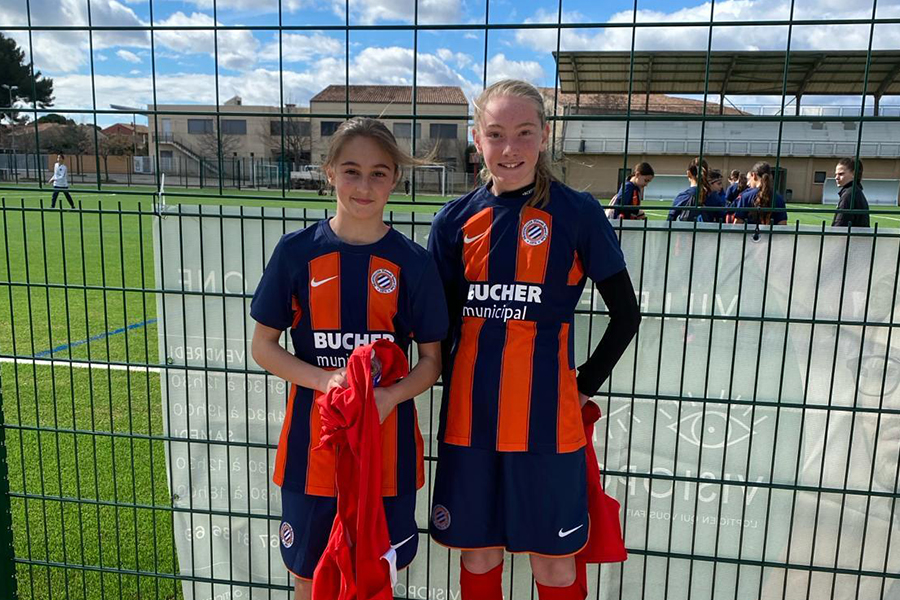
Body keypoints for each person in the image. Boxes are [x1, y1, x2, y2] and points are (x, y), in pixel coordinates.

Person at [427, 79, 641, 600]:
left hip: (548, 425)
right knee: (478, 553)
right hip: (470, 422)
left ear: (544, 136)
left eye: (524, 132)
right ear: (477, 140)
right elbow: (438, 327)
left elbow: (626, 314)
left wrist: (584, 384)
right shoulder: (453, 221)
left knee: (554, 564)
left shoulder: (577, 212)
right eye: (496, 134)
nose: (510, 148)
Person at [249, 117, 448, 600]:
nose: (364, 185)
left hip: (387, 450)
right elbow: (264, 347)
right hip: (312, 449)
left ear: (395, 180)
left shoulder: (413, 264)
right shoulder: (296, 253)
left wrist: (389, 397)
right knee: (309, 577)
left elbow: (430, 361)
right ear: (329, 171)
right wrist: (325, 381)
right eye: (352, 170)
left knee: (376, 574)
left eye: (379, 172)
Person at [732, 161, 788, 226]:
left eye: (749, 179)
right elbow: (782, 224)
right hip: (770, 235)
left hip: (749, 235)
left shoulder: (745, 196)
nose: (748, 183)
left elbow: (737, 223)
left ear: (754, 175)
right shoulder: (778, 198)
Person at [667, 157, 714, 222]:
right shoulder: (715, 196)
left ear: (688, 173)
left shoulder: (683, 197)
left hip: (687, 232)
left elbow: (670, 220)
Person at [832, 157, 870, 228]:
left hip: (851, 238)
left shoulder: (849, 194)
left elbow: (841, 224)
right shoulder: (856, 191)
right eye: (836, 174)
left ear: (853, 174)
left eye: (841, 174)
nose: (836, 177)